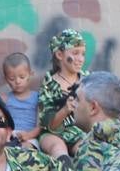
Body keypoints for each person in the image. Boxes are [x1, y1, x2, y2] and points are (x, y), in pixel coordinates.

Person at [38, 29, 89, 158]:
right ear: (60, 55)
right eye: (75, 53)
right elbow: (48, 125)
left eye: (83, 54)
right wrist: (65, 109)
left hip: (81, 134)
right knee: (58, 149)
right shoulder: (50, 83)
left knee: (85, 152)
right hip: (54, 134)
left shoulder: (88, 80)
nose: (80, 59)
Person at [2, 52, 42, 146]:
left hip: (29, 138)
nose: (17, 81)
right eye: (12, 78)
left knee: (25, 149)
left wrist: (28, 135)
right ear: (6, 79)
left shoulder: (37, 97)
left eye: (22, 77)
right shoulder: (5, 99)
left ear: (30, 74)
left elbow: (41, 126)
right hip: (9, 136)